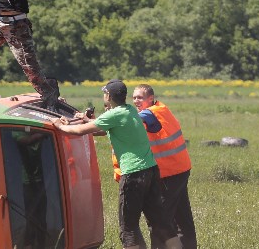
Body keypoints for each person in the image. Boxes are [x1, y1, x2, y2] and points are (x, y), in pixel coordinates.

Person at [51, 79, 181, 249]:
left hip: (134, 175)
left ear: (109, 96)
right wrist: (85, 120)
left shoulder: (113, 114)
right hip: (150, 171)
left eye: (105, 93)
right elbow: (103, 130)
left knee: (128, 228)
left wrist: (60, 126)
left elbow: (80, 132)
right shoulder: (130, 111)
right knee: (161, 223)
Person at [131, 84, 197, 249]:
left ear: (150, 99)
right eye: (134, 98)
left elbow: (130, 122)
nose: (136, 101)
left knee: (159, 218)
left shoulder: (150, 113)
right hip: (179, 169)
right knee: (182, 218)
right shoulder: (161, 108)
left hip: (170, 172)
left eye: (140, 97)